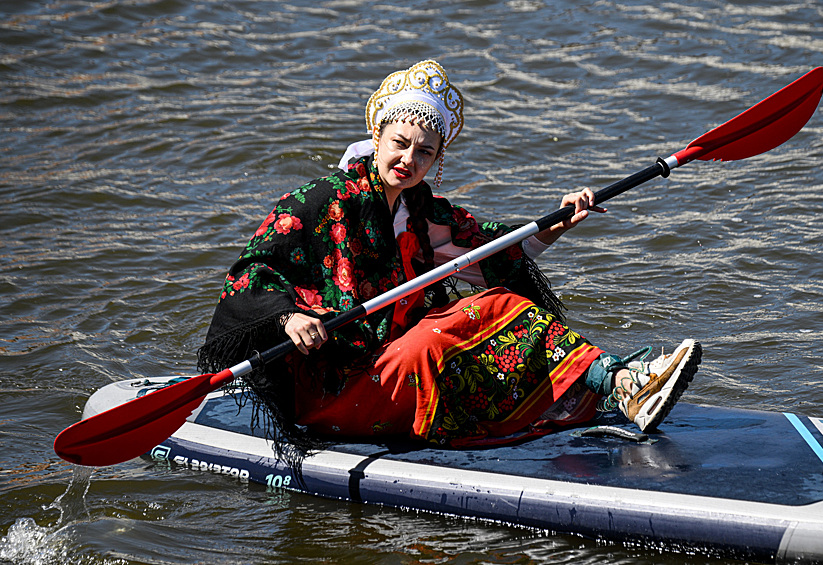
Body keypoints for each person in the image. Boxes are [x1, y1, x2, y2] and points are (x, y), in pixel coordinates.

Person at [197, 60, 701, 454]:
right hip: (337, 390)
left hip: (399, 363)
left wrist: (561, 222)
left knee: (496, 304)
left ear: (437, 160)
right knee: (434, 339)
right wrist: (288, 318)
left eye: (424, 152)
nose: (408, 160)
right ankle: (613, 387)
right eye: (400, 144)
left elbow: (498, 253)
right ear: (376, 137)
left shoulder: (425, 213)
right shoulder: (317, 201)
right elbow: (248, 275)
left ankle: (618, 382)